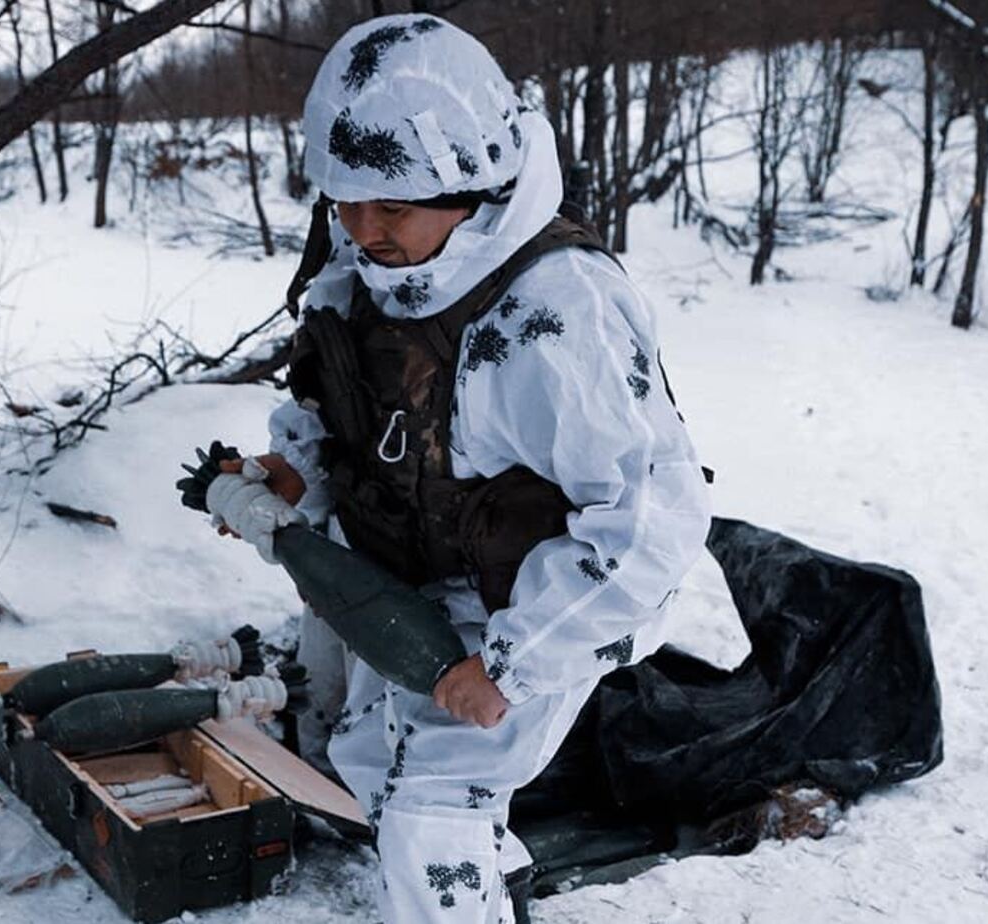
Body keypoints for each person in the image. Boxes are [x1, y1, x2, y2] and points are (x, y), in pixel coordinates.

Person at [199, 14, 712, 923]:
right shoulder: (366, 266)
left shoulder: (556, 317)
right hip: (420, 585)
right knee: (372, 767)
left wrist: (512, 666)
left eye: (389, 206)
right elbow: (343, 405)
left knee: (430, 818)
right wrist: (294, 476)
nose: (361, 229)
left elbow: (645, 526)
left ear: (471, 185)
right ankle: (495, 883)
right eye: (345, 202)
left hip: (541, 603)